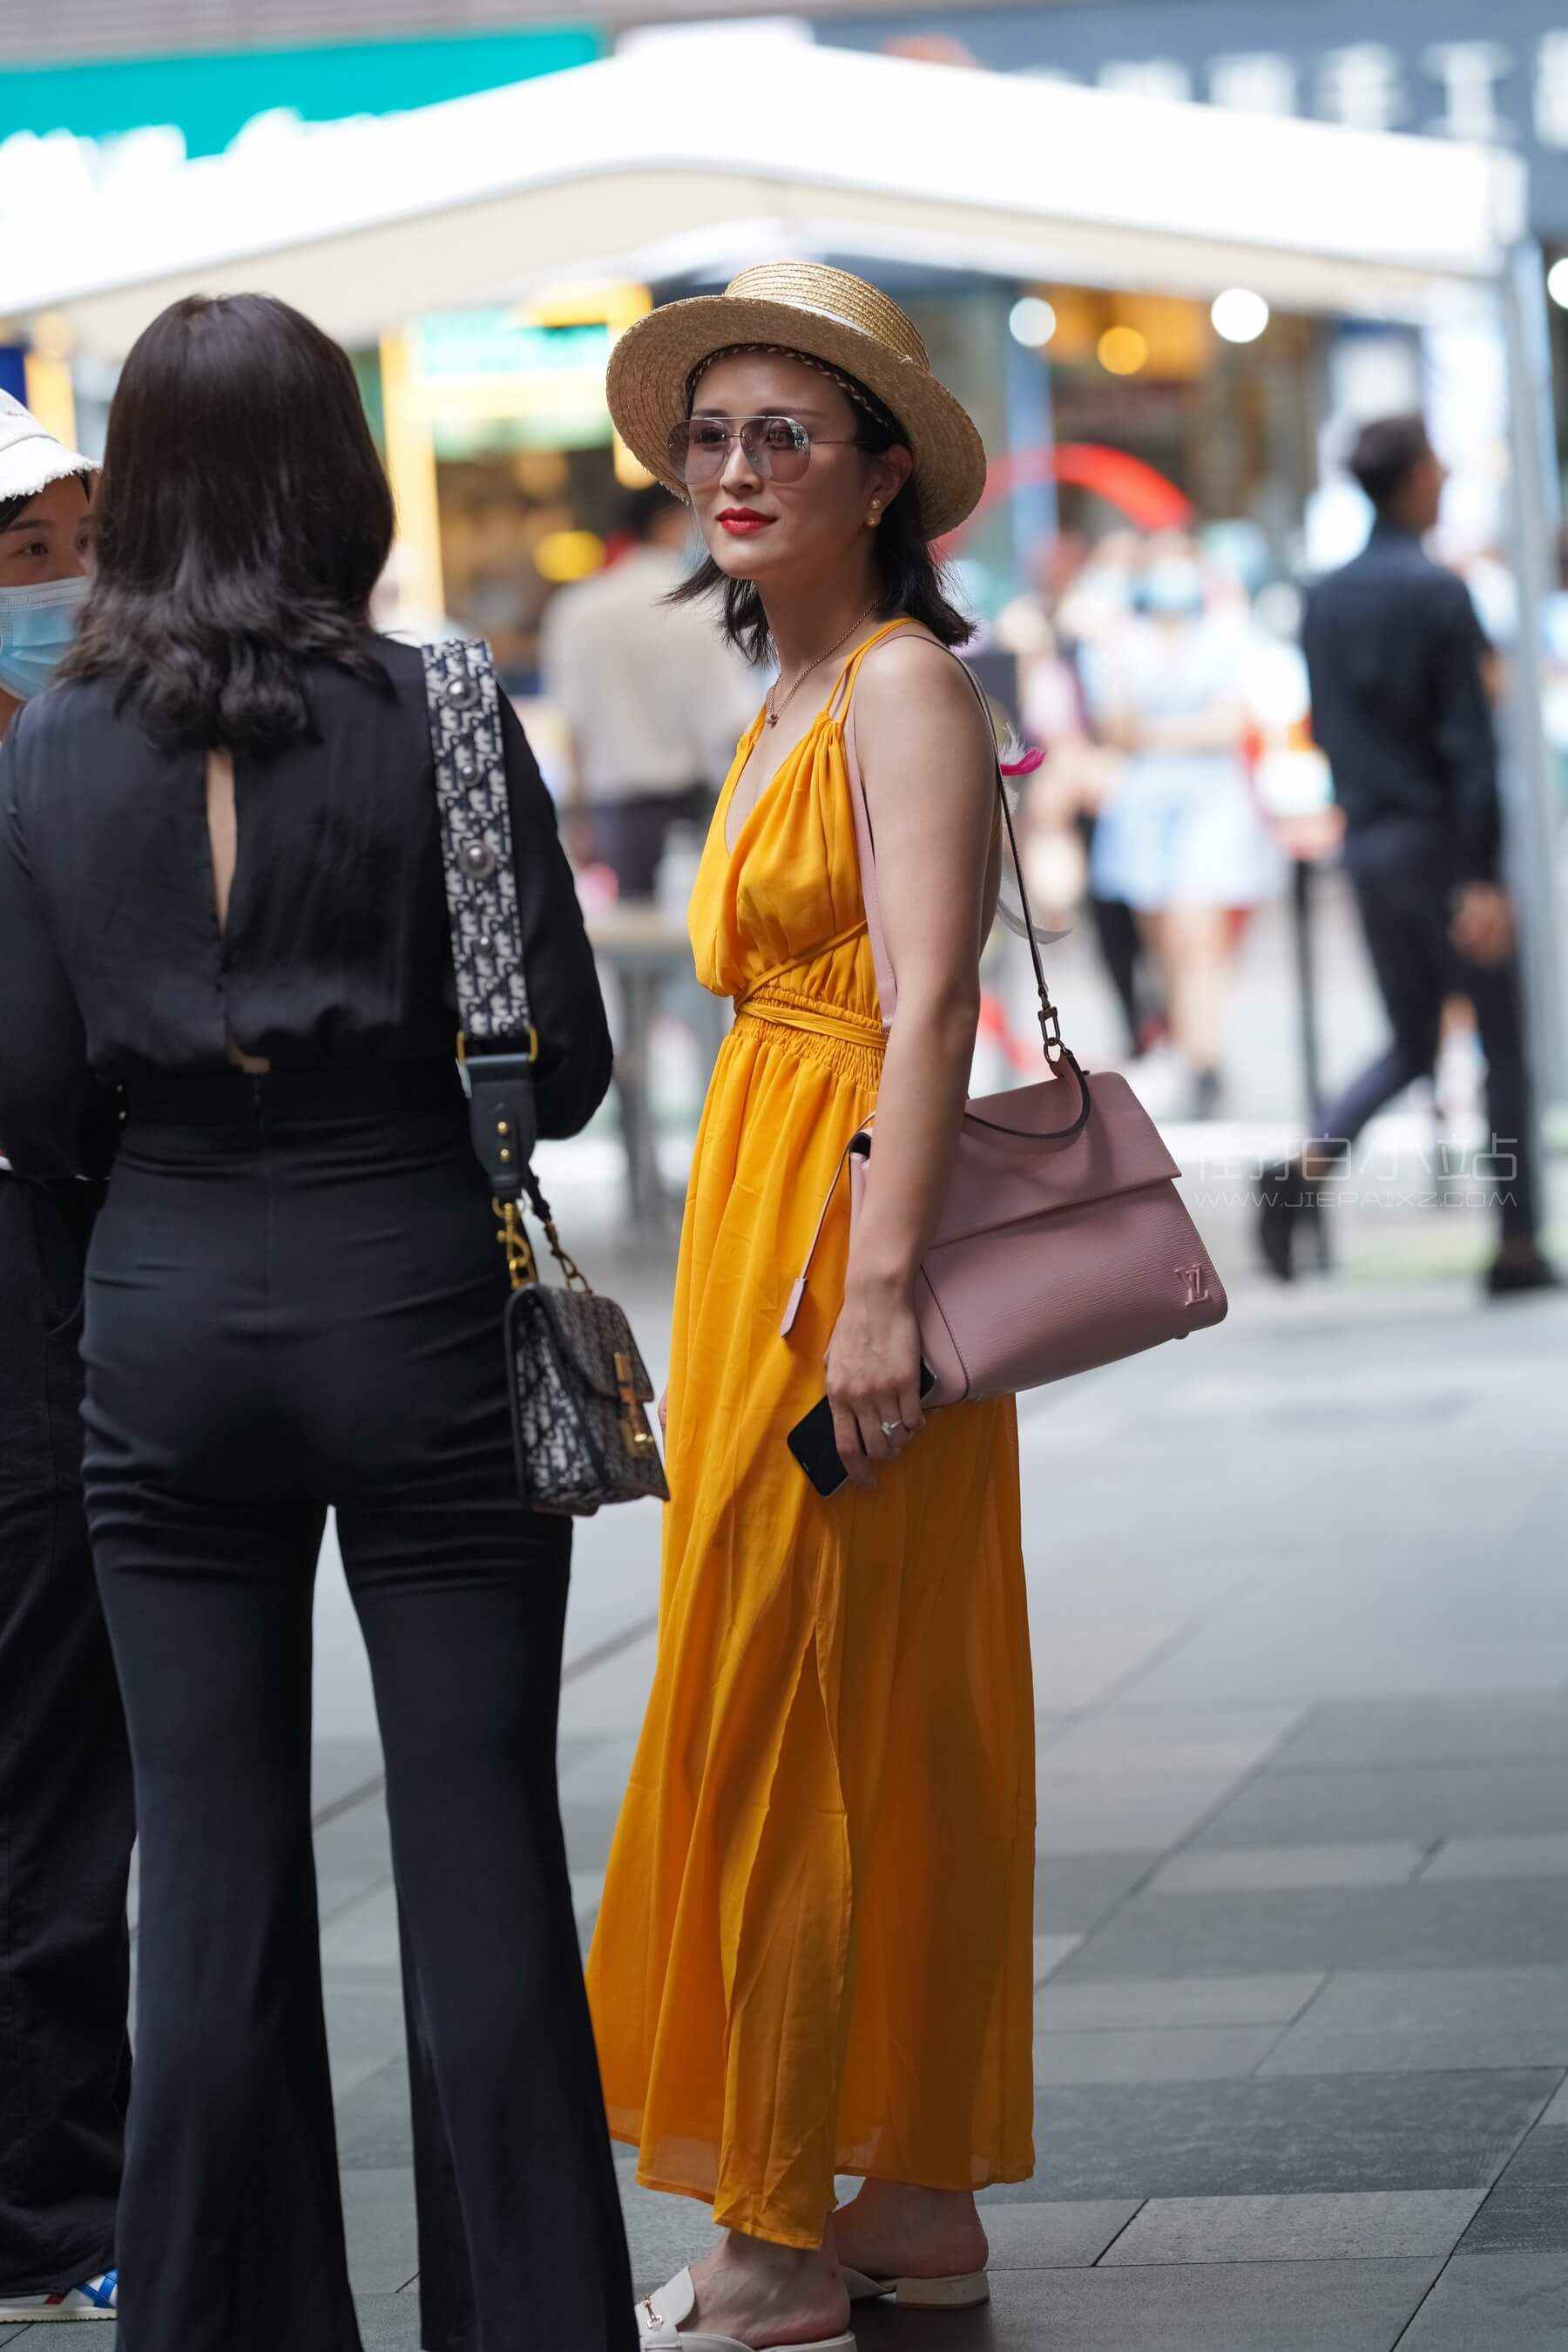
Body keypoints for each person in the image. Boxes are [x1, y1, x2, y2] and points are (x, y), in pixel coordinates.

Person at [0, 293, 633, 2351]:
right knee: (478, 1839)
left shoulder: (51, 742)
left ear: (142, 494)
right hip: (420, 1290)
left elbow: (29, 1094)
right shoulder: (439, 702)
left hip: (165, 1314)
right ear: (342, 473)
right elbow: (567, 1061)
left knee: (204, 1872)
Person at [586, 262, 1035, 2352]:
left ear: (880, 475)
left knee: (790, 1702)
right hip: (769, 1219)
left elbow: (932, 1000)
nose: (735, 469)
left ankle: (774, 2236)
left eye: (786, 433)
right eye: (711, 436)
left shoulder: (902, 687)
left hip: (845, 1235)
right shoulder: (792, 688)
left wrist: (873, 1298)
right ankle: (913, 2196)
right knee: (856, 1700)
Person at [1261, 414, 1558, 1297]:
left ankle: (1303, 1171)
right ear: (1417, 477)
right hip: (1442, 847)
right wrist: (1481, 875)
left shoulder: (1324, 597)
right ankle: (1516, 1244)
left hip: (1369, 844)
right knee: (1501, 1043)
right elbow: (1469, 745)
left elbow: (1327, 727)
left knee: (1414, 1042)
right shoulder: (1438, 592)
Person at [0, 394, 128, 2326]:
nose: (71, 582)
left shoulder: (90, 754)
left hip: (69, 1273)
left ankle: (52, 2201)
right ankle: (47, 2209)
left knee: (52, 1754)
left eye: (82, 545)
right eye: (28, 553)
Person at [1081, 531, 1284, 1119]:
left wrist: (1155, 734)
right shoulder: (1122, 640)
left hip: (1210, 801)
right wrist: (1176, 731)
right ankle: (1186, 1048)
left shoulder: (1228, 635)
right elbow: (1116, 725)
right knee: (1165, 940)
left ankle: (1204, 1057)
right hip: (1143, 808)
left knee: (1200, 932)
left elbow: (1232, 723)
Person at [542, 485, 756, 901]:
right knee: (704, 927)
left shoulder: (577, 608)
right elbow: (731, 721)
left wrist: (577, 818)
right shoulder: (701, 606)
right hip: (695, 805)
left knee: (630, 930)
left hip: (613, 810)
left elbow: (572, 724)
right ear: (668, 524)